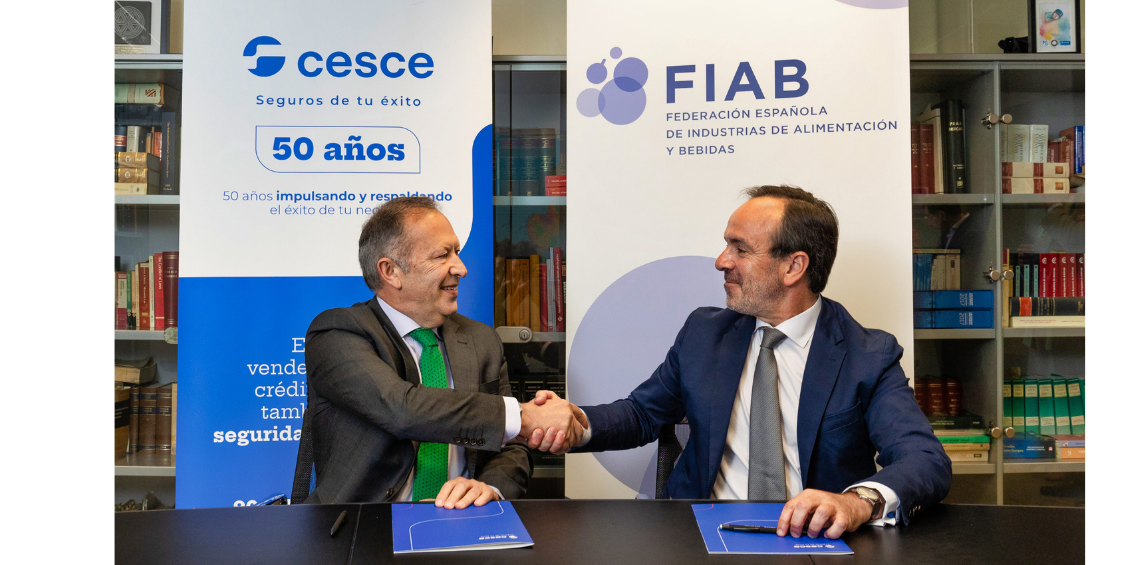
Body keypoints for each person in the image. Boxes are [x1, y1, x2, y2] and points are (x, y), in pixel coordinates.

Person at [529, 185, 951, 539]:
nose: (721, 261)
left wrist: (856, 502)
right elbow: (642, 413)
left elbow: (924, 459)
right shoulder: (705, 333)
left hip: (810, 542)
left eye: (740, 248)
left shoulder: (868, 355)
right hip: (698, 535)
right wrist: (576, 422)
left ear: (794, 266)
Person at [303, 196, 587, 507]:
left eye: (457, 252)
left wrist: (489, 487)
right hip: (364, 523)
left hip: (464, 518)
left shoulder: (481, 340)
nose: (461, 269)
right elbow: (402, 409)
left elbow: (510, 445)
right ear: (391, 271)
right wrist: (523, 415)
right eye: (442, 255)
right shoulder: (336, 333)